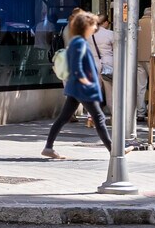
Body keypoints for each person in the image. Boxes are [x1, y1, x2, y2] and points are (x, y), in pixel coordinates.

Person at [42, 10, 112, 158]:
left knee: (63, 118)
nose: (95, 28)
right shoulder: (79, 43)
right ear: (85, 27)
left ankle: (48, 147)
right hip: (83, 89)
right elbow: (77, 66)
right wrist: (86, 82)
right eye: (93, 25)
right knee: (99, 118)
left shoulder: (78, 41)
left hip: (76, 89)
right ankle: (114, 151)